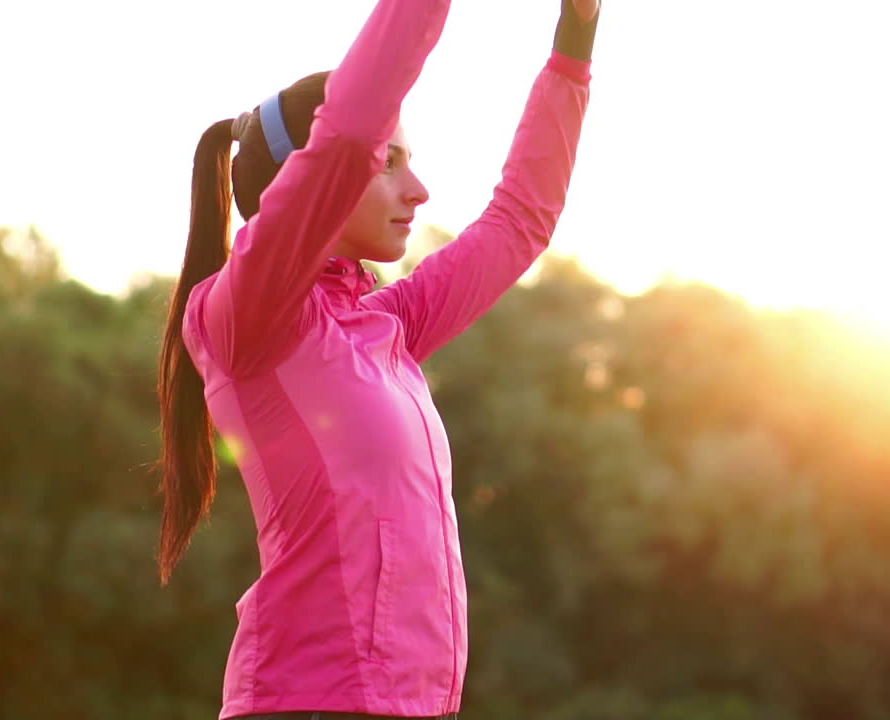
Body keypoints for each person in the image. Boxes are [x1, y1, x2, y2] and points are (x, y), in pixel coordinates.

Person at [154, 0, 600, 717]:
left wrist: (575, 37)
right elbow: (351, 128)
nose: (417, 190)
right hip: (308, 703)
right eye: (388, 164)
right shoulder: (242, 316)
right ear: (312, 179)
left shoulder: (384, 327)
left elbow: (520, 221)